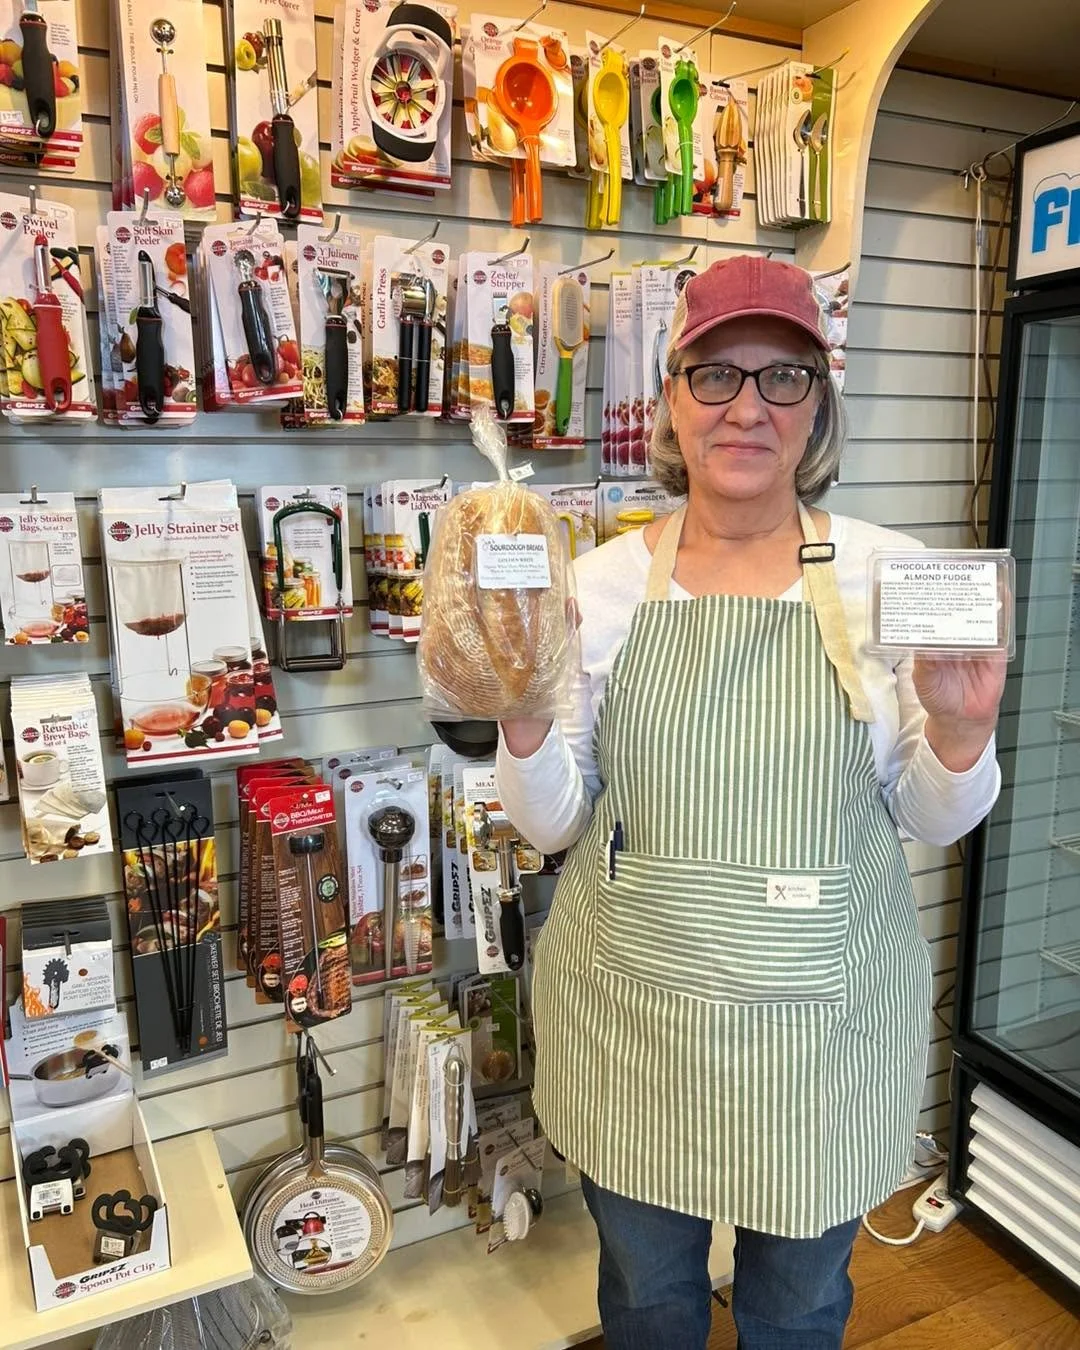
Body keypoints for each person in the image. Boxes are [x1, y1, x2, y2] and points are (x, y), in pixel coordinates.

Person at [495, 255, 1005, 1350]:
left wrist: (960, 735)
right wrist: (522, 719)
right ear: (672, 397)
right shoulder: (597, 587)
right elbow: (554, 825)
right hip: (637, 1018)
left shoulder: (887, 572)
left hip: (821, 1032)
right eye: (716, 375)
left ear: (818, 404)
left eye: (783, 379)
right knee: (644, 1297)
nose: (747, 408)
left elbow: (933, 820)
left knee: (802, 1304)